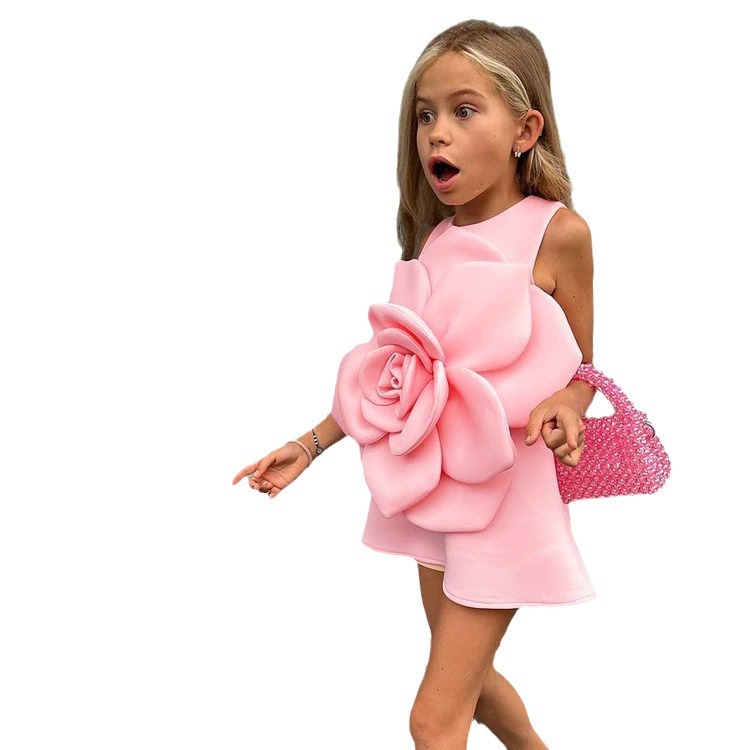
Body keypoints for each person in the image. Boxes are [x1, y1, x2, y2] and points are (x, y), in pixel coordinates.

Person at [232, 20, 597, 750]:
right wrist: (312, 443)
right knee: (472, 683)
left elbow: (585, 365)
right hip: (437, 485)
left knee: (433, 718)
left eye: (463, 111)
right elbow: (399, 368)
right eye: (425, 115)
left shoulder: (558, 233)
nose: (437, 133)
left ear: (526, 130)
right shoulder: (436, 239)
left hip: (508, 491)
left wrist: (568, 400)